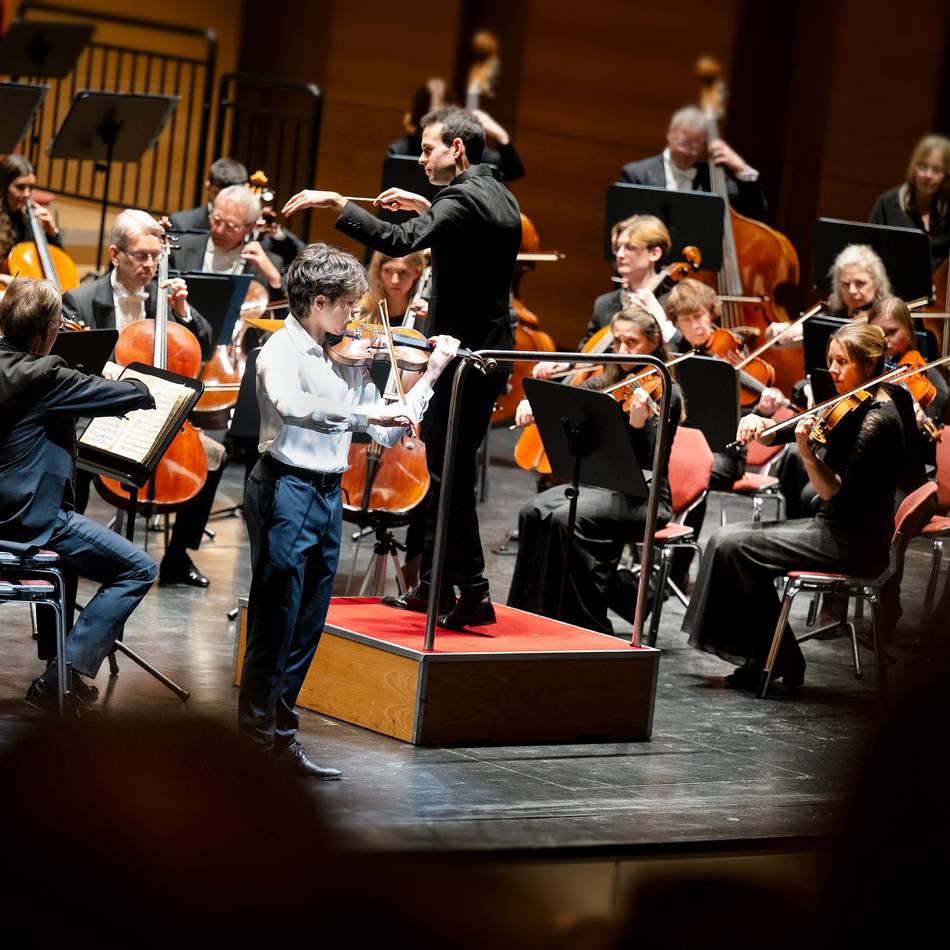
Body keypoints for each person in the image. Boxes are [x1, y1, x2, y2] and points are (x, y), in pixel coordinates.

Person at [282, 106, 522, 629]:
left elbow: (397, 241)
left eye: (428, 147)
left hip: (465, 358)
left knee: (450, 477)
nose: (420, 156)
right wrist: (427, 204)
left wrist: (336, 202)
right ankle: (437, 588)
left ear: (457, 149)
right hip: (483, 353)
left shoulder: (462, 199)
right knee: (447, 474)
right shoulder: (497, 192)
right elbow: (464, 233)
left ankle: (475, 594)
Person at [240, 242, 459, 778]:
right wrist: (357, 414)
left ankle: (282, 739)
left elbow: (386, 423)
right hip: (284, 487)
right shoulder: (279, 352)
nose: (357, 318)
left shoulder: (348, 354)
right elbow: (294, 408)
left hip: (326, 493)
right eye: (349, 307)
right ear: (319, 302)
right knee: (276, 620)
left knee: (310, 621)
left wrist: (429, 373)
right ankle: (249, 750)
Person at [683, 323, 905, 689]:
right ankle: (774, 657)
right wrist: (760, 421)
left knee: (729, 543)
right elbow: (793, 426)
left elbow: (832, 491)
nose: (832, 370)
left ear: (869, 363)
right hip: (834, 528)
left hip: (851, 542)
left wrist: (807, 455)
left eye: (842, 362)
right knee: (729, 543)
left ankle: (776, 658)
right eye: (830, 360)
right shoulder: (853, 400)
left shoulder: (876, 419)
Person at [0, 278, 157, 714]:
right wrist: (112, 373)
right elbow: (134, 395)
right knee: (139, 568)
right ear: (50, 330)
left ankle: (59, 667)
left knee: (68, 562)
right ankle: (62, 677)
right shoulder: (46, 375)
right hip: (28, 517)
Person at [62, 209, 217, 587]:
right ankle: (69, 555)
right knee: (72, 455)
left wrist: (182, 311)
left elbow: (206, 347)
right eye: (141, 256)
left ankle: (178, 557)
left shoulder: (163, 297)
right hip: (96, 415)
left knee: (214, 456)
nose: (150, 265)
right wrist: (105, 371)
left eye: (155, 256)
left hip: (156, 415)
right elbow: (66, 362)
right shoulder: (80, 300)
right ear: (115, 254)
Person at [507, 307, 681, 634]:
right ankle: (531, 611)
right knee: (532, 510)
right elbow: (574, 398)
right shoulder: (613, 376)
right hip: (600, 485)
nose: (623, 350)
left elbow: (655, 457)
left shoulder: (667, 390)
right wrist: (535, 404)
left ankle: (582, 622)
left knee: (564, 518)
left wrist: (639, 423)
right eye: (618, 342)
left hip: (643, 494)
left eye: (633, 342)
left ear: (654, 342)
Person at [532, 214, 678, 380]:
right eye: (618, 247)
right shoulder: (605, 304)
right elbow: (587, 352)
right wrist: (565, 364)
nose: (620, 255)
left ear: (654, 253)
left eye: (629, 247)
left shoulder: (673, 300)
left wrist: (661, 320)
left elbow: (683, 353)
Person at [620, 106, 765, 220]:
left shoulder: (713, 179)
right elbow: (623, 228)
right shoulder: (636, 175)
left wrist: (742, 169)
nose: (687, 152)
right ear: (670, 133)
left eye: (696, 146)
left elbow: (753, 214)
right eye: (683, 143)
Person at [387, 79, 526, 182]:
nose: (437, 120)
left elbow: (513, 171)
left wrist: (501, 136)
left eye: (443, 114)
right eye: (432, 115)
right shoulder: (399, 150)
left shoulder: (464, 150)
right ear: (420, 115)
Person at [871, 134, 950, 273]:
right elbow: (869, 253)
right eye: (922, 166)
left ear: (946, 176)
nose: (927, 175)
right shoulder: (888, 204)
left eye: (936, 170)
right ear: (913, 167)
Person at [0, 154, 62, 272]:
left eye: (31, 187)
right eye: (20, 187)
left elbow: (58, 263)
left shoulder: (29, 218)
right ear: (4, 186)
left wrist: (52, 232)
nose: (27, 194)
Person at [168, 156, 249, 233]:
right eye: (217, 193)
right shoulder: (181, 224)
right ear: (208, 187)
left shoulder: (252, 229)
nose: (225, 202)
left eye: (232, 195)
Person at [826, 244, 891, 320]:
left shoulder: (886, 320)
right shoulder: (832, 317)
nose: (852, 291)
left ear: (876, 283)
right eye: (846, 284)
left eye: (860, 283)